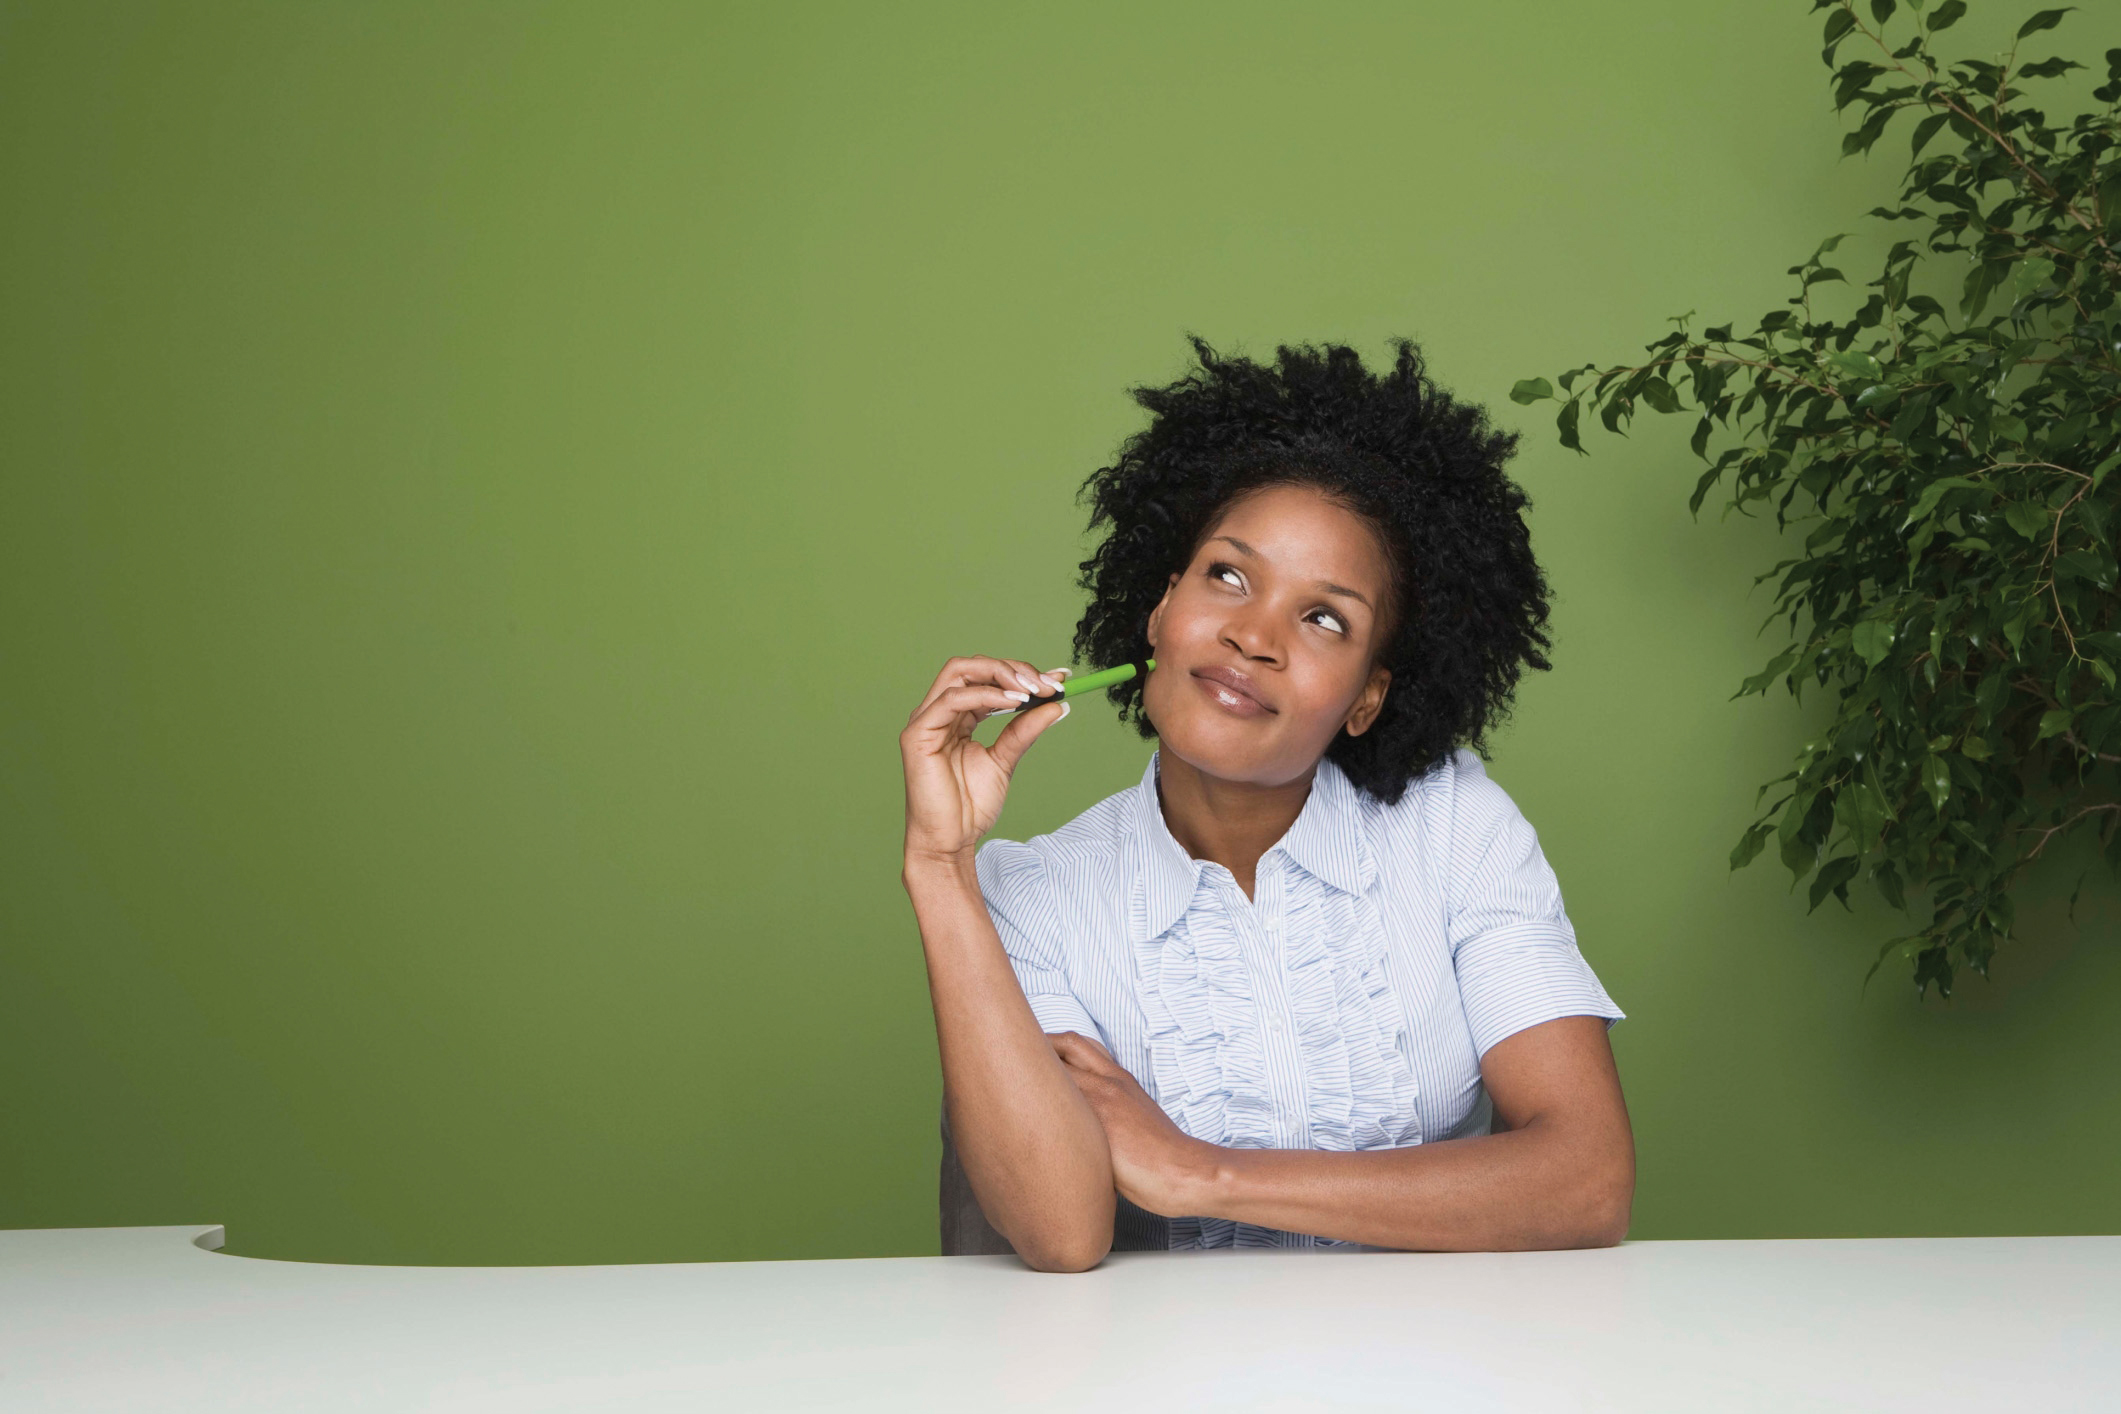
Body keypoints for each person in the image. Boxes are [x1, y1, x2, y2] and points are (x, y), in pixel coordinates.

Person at [900, 339, 1632, 1272]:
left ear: (1368, 696)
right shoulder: (1033, 892)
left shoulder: (1456, 828)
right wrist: (939, 865)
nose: (1253, 635)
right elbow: (1061, 1231)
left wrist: (1205, 1175)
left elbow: (1587, 1181)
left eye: (1323, 618)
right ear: (1161, 612)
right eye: (1227, 576)